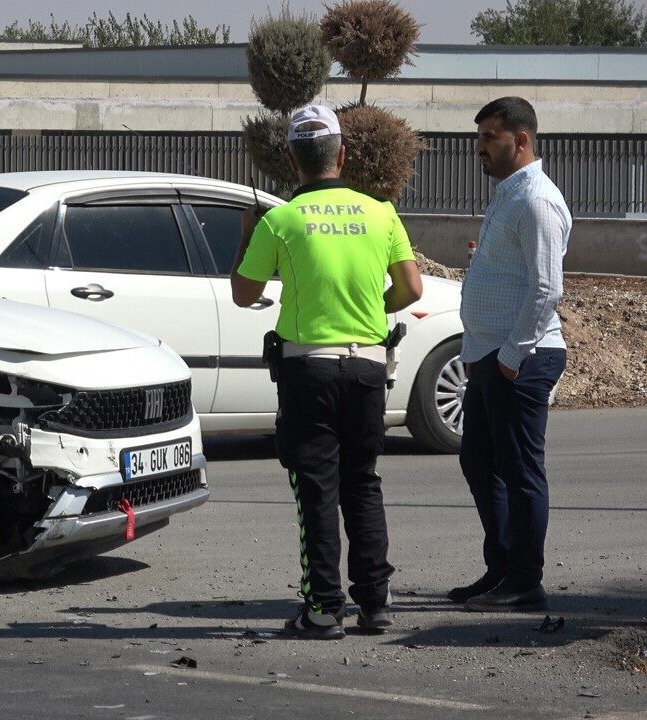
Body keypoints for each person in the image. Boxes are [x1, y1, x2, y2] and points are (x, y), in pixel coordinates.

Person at [231, 104, 423, 640]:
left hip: (307, 369)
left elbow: (245, 293)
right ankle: (375, 604)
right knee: (363, 483)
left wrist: (247, 237)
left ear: (293, 161)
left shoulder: (281, 220)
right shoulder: (380, 212)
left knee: (316, 488)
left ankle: (322, 609)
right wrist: (367, 309)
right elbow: (411, 289)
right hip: (366, 366)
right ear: (342, 154)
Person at [450, 97, 570, 612]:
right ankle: (501, 569)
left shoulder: (537, 199)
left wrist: (513, 355)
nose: (480, 149)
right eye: (479, 138)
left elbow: (546, 288)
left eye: (489, 138)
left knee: (521, 471)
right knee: (479, 460)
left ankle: (525, 580)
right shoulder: (508, 193)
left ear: (520, 140)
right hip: (490, 355)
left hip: (521, 356)